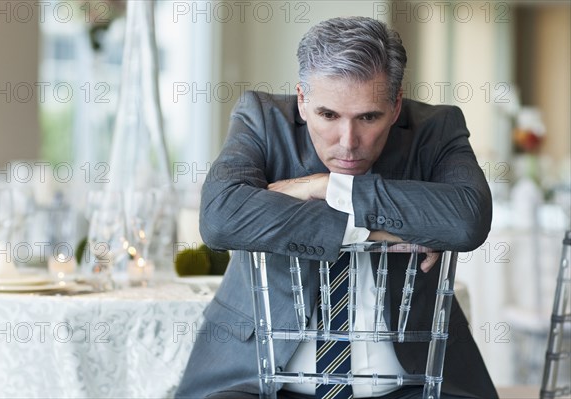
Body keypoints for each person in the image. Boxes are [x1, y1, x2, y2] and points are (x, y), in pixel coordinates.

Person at [176, 16, 498, 399]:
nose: (348, 142)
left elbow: (467, 220)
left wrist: (333, 189)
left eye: (368, 117)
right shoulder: (262, 119)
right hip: (257, 381)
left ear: (395, 106)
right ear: (302, 100)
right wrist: (397, 224)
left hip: (413, 383)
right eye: (328, 115)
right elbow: (220, 218)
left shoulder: (436, 128)